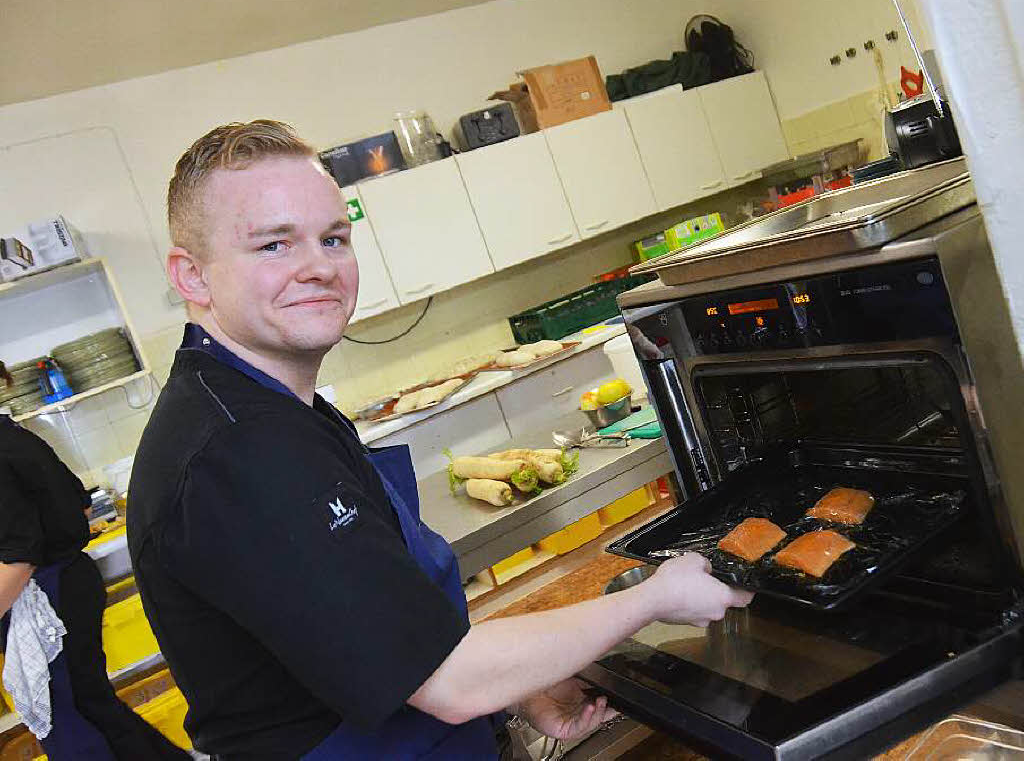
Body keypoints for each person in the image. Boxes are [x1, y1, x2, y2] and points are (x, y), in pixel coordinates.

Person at [127, 120, 753, 760]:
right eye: (273, 245)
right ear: (193, 277)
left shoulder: (277, 410)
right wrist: (656, 597)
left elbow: (376, 635)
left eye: (334, 238)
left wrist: (511, 687)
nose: (318, 266)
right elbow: (446, 681)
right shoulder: (239, 449)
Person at [0, 361, 191, 760]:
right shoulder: (15, 436)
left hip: (46, 597)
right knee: (92, 708)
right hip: (66, 586)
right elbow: (80, 504)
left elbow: (18, 556)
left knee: (71, 721)